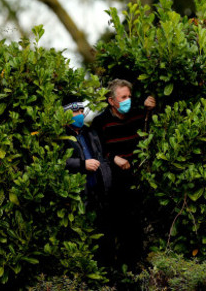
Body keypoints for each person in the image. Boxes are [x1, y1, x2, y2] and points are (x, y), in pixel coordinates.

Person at [91, 79, 156, 270]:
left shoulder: (137, 115)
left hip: (136, 184)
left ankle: (134, 273)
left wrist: (149, 109)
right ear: (111, 101)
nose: (128, 100)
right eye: (123, 97)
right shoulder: (100, 122)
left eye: (129, 96)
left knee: (134, 233)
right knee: (110, 234)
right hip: (113, 187)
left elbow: (149, 130)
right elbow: (98, 153)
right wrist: (114, 158)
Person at [62, 96, 113, 265]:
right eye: (75, 111)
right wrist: (82, 164)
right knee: (82, 237)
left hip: (98, 192)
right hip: (79, 195)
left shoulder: (90, 132)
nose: (80, 114)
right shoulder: (61, 137)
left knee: (103, 237)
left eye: (81, 111)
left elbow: (101, 155)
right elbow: (60, 162)